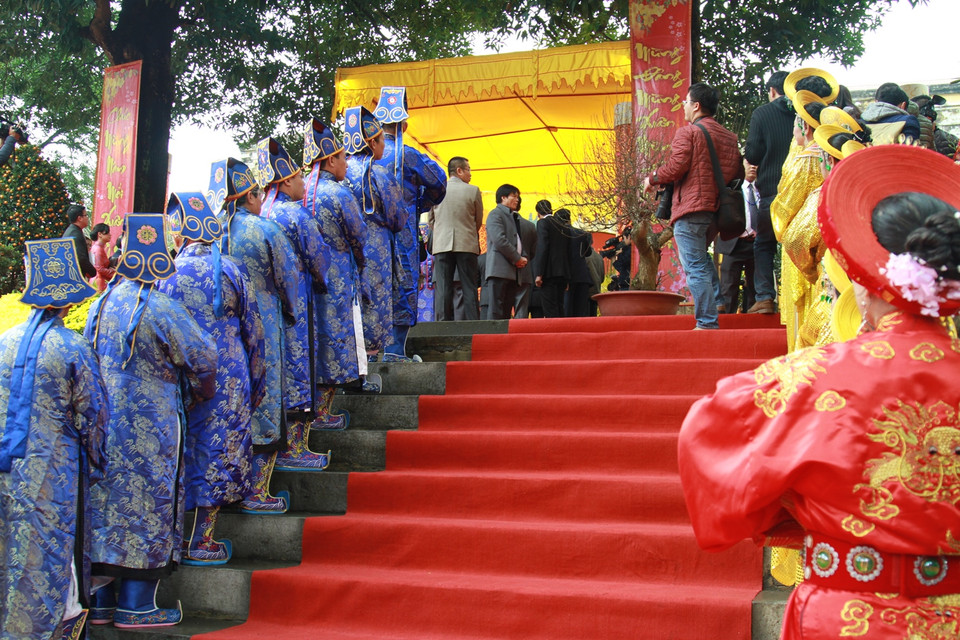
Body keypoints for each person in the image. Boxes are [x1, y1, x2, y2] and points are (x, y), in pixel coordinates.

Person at [678, 144, 960, 640]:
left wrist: (798, 506)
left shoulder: (810, 378)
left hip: (845, 617)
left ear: (866, 279)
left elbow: (711, 438)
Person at [85, 213, 217, 628]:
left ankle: (103, 602)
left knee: (107, 507)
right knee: (148, 506)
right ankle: (137, 605)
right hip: (152, 426)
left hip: (105, 426)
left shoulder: (102, 303)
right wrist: (201, 394)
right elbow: (204, 357)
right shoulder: (160, 307)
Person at [0, 238, 107, 640]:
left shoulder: (4, 342)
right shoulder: (72, 347)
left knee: (10, 552)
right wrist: (96, 463)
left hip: (8, 467)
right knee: (51, 556)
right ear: (67, 299)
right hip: (54, 471)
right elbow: (94, 416)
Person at [157, 192, 266, 566]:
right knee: (218, 451)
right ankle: (202, 539)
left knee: (185, 449)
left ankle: (174, 538)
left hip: (181, 375)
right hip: (228, 373)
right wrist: (257, 379)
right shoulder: (231, 269)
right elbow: (253, 330)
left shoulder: (165, 273)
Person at [209, 157, 302, 513]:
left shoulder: (211, 232)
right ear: (249, 196)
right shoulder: (264, 230)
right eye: (257, 194)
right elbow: (288, 277)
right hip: (262, 318)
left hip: (220, 329)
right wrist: (291, 311)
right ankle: (257, 491)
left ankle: (226, 489)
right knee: (265, 395)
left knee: (229, 405)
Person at [257, 136, 335, 471]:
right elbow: (318, 258)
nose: (305, 182)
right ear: (286, 180)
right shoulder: (295, 215)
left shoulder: (260, 213)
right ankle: (296, 448)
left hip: (262, 310)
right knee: (300, 370)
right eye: (300, 177)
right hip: (295, 302)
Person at [643, 82, 743, 330]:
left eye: (686, 101)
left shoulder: (688, 132)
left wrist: (652, 177)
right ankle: (717, 302)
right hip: (716, 211)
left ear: (696, 106)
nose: (683, 106)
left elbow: (677, 167)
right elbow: (736, 173)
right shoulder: (730, 138)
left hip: (690, 209)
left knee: (695, 266)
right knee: (702, 260)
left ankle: (707, 322)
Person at [302, 118, 367, 428]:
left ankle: (310, 411)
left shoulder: (299, 193)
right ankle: (323, 413)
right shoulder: (340, 195)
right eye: (343, 156)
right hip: (337, 276)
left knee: (311, 340)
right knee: (334, 340)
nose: (347, 163)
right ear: (330, 160)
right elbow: (359, 234)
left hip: (304, 282)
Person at [373, 87, 446, 357]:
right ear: (403, 124)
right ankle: (395, 352)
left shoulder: (359, 159)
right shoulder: (409, 155)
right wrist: (419, 206)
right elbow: (439, 182)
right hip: (402, 234)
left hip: (368, 239)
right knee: (402, 285)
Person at [343, 106, 406, 371]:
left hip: (346, 251)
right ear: (371, 142)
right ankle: (372, 361)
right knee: (377, 302)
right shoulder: (380, 175)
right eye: (381, 140)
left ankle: (355, 361)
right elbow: (398, 217)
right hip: (376, 246)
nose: (384, 146)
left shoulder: (341, 173)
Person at [743, 70, 792, 315]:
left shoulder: (763, 113)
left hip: (773, 191)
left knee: (764, 244)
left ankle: (764, 298)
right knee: (799, 246)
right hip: (804, 195)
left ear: (772, 91)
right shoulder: (805, 112)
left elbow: (752, 153)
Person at [429, 156, 483, 321]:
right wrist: (468, 232)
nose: (470, 174)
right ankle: (473, 324)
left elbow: (431, 220)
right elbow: (478, 220)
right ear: (459, 171)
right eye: (468, 170)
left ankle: (442, 325)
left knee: (443, 287)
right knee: (469, 286)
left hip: (442, 244)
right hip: (466, 243)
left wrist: (442, 232)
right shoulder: (473, 190)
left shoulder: (437, 190)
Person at [716, 160, 758, 313]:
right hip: (733, 242)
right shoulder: (732, 187)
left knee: (756, 288)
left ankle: (754, 326)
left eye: (756, 163)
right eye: (749, 163)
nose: (753, 166)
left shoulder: (763, 189)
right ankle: (727, 325)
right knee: (728, 288)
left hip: (756, 244)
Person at [484, 184, 528, 319]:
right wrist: (517, 258)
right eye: (514, 196)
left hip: (512, 271)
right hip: (499, 270)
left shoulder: (511, 217)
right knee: (496, 310)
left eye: (518, 197)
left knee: (506, 310)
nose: (517, 200)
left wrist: (522, 257)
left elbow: (517, 240)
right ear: (503, 197)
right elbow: (499, 240)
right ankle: (493, 339)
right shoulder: (495, 214)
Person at [532, 199, 569, 318]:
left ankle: (554, 334)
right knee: (560, 306)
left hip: (549, 273)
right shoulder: (563, 225)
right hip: (563, 273)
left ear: (538, 213)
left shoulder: (542, 223)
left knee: (550, 309)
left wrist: (539, 273)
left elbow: (542, 247)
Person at [557, 208, 593, 317]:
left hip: (567, 275)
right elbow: (588, 252)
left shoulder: (559, 234)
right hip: (582, 275)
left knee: (567, 309)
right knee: (581, 310)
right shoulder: (581, 233)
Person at [62, 204, 97, 279]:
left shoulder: (72, 231)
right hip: (74, 277)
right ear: (79, 218)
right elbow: (80, 257)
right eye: (86, 215)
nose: (88, 218)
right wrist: (92, 272)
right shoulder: (75, 234)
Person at [89, 222, 116, 292]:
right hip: (100, 282)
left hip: (95, 280)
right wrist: (115, 273)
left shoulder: (95, 247)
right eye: (107, 233)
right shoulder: (98, 249)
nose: (110, 235)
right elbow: (99, 269)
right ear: (100, 234)